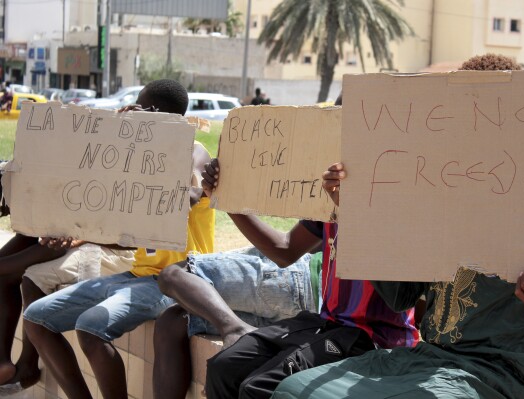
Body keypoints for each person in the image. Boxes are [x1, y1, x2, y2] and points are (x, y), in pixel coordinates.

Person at [271, 54, 524, 399]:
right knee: (293, 390)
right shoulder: (437, 195)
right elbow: (401, 295)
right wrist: (356, 210)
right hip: (430, 359)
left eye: (493, 113)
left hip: (503, 374)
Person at [202, 94, 418, 399]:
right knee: (224, 366)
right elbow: (285, 249)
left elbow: (403, 291)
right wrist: (226, 199)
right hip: (327, 323)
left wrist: (356, 212)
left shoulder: (402, 199)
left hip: (373, 336)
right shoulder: (331, 195)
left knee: (258, 388)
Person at [23, 79, 215, 399]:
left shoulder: (194, 150)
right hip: (138, 275)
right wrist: (78, 234)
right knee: (36, 319)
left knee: (90, 327)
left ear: (152, 111)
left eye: (139, 107)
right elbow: (132, 237)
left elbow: (187, 195)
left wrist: (146, 144)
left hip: (179, 279)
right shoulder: (136, 163)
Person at [153, 159, 323, 399]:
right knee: (173, 320)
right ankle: (235, 329)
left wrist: (226, 197)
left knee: (174, 275)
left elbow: (285, 251)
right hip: (314, 311)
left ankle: (235, 330)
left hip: (303, 281)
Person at [0, 157, 134, 396]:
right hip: (76, 227)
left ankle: (29, 364)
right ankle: (6, 363)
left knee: (33, 281)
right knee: (14, 268)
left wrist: (78, 237)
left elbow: (78, 238)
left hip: (107, 243)